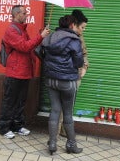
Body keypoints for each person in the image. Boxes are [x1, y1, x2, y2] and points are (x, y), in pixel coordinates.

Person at [0, 5, 50, 139]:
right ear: (17, 15)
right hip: (14, 72)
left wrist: (41, 35)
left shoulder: (22, 30)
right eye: (24, 13)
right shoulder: (11, 30)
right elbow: (24, 46)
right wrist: (40, 36)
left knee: (20, 101)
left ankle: (17, 126)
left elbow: (30, 45)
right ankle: (4, 128)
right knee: (10, 101)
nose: (26, 15)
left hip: (24, 72)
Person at [42, 15, 84, 155]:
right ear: (72, 25)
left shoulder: (49, 37)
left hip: (50, 80)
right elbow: (78, 62)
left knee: (54, 110)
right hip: (67, 81)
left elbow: (42, 54)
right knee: (67, 113)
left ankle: (52, 143)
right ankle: (71, 145)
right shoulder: (74, 40)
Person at [59, 9, 89, 136]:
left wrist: (85, 67)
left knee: (69, 105)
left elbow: (84, 54)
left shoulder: (80, 37)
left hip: (75, 76)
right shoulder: (62, 36)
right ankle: (58, 131)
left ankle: (65, 130)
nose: (84, 30)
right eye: (82, 27)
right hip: (64, 75)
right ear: (74, 25)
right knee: (60, 105)